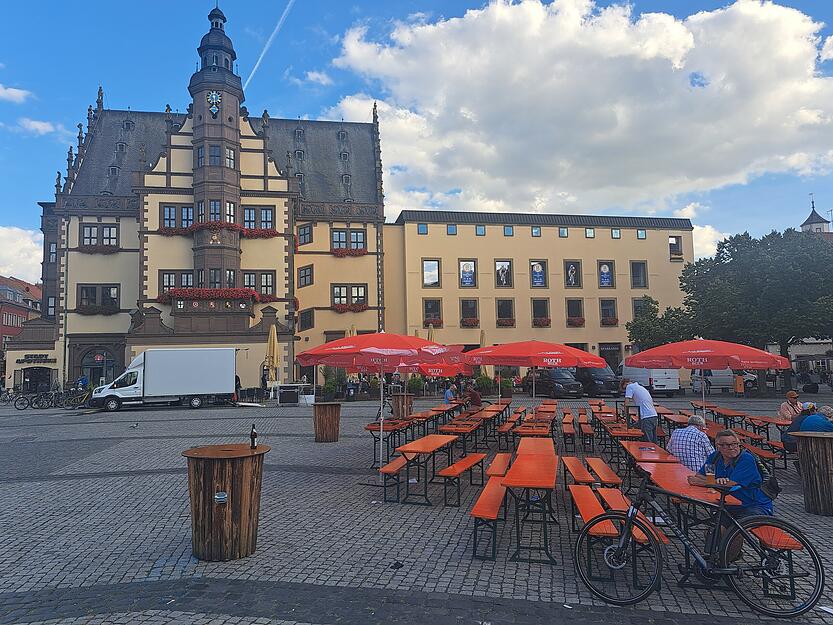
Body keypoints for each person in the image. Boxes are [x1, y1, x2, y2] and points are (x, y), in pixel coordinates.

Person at [688, 430, 773, 518]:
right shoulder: (715, 457)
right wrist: (715, 481)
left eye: (735, 444)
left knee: (730, 526)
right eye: (726, 445)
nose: (732, 447)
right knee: (719, 524)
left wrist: (707, 482)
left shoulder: (746, 459)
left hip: (754, 505)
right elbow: (700, 476)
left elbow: (729, 485)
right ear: (718, 446)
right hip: (731, 503)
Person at [621, 378, 659, 443]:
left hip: (646, 416)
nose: (625, 390)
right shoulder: (639, 387)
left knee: (648, 442)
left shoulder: (630, 386)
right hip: (653, 415)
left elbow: (626, 402)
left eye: (624, 388)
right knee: (653, 440)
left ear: (626, 384)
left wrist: (625, 414)